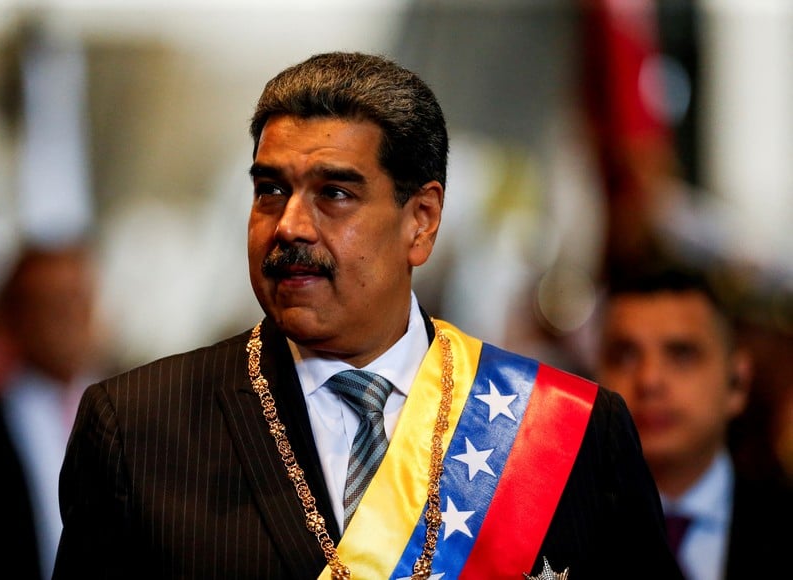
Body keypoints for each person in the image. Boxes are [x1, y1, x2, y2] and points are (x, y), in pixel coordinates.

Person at [53, 51, 682, 579]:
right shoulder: (136, 430)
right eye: (270, 189)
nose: (290, 225)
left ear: (421, 222)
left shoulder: (568, 433)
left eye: (335, 193)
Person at [593, 264, 793, 580]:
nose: (649, 380)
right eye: (625, 356)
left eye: (681, 354)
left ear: (737, 383)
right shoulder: (555, 525)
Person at [0, 243, 101, 580]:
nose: (70, 319)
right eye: (52, 305)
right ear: (12, 318)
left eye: (79, 300)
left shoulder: (135, 412)